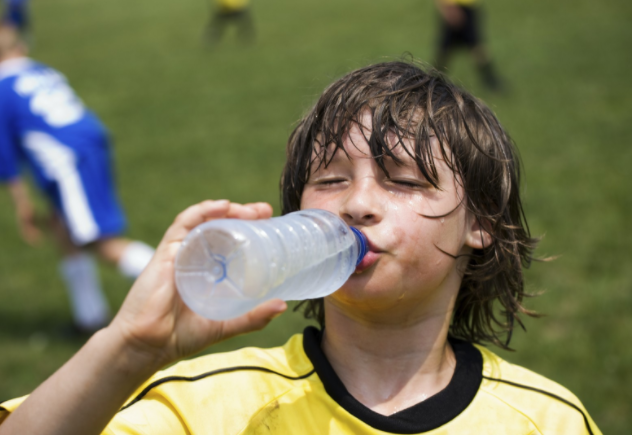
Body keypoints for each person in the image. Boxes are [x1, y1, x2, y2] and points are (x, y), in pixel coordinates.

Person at [0, 61, 601, 434]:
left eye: (404, 180)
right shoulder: (212, 407)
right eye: (331, 180)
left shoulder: (546, 420)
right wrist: (128, 348)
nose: (356, 203)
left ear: (481, 222)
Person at [0, 26, 155, 334]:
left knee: (98, 241)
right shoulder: (42, 69)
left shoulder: (2, 89)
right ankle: (90, 317)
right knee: (63, 226)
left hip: (68, 161)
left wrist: (21, 203)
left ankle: (189, 283)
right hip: (89, 143)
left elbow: (6, 155)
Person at [434, 0, 502, 91]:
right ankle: (434, 80)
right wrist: (449, 9)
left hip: (467, 7)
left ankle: (490, 79)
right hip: (455, 8)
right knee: (446, 49)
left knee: (475, 47)